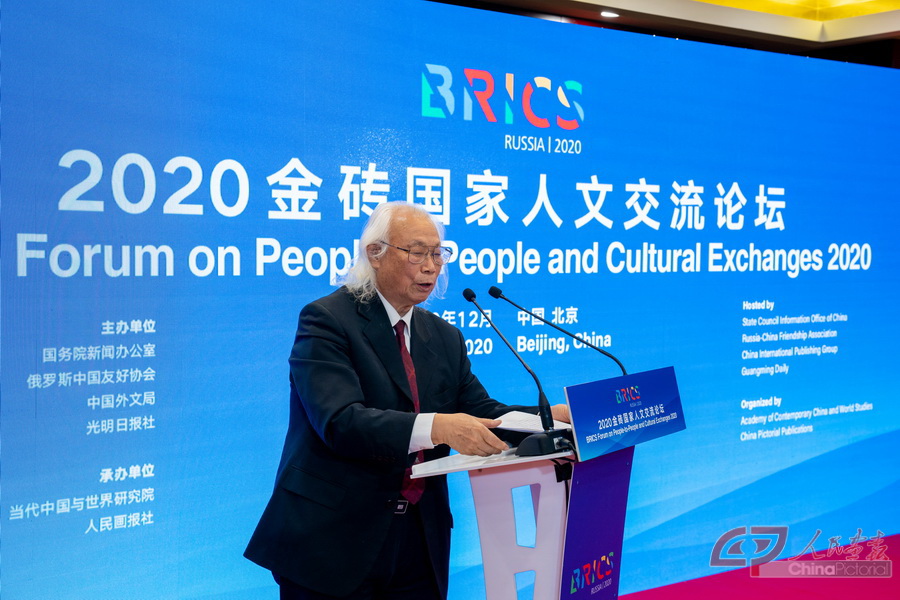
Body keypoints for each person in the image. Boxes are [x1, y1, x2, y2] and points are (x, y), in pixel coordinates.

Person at [244, 202, 569, 600]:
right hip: (333, 540)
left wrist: (550, 419)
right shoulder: (327, 320)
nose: (431, 267)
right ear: (375, 254)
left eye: (438, 254)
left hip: (419, 538)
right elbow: (340, 422)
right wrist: (438, 427)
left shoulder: (443, 336)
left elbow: (482, 413)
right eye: (417, 253)